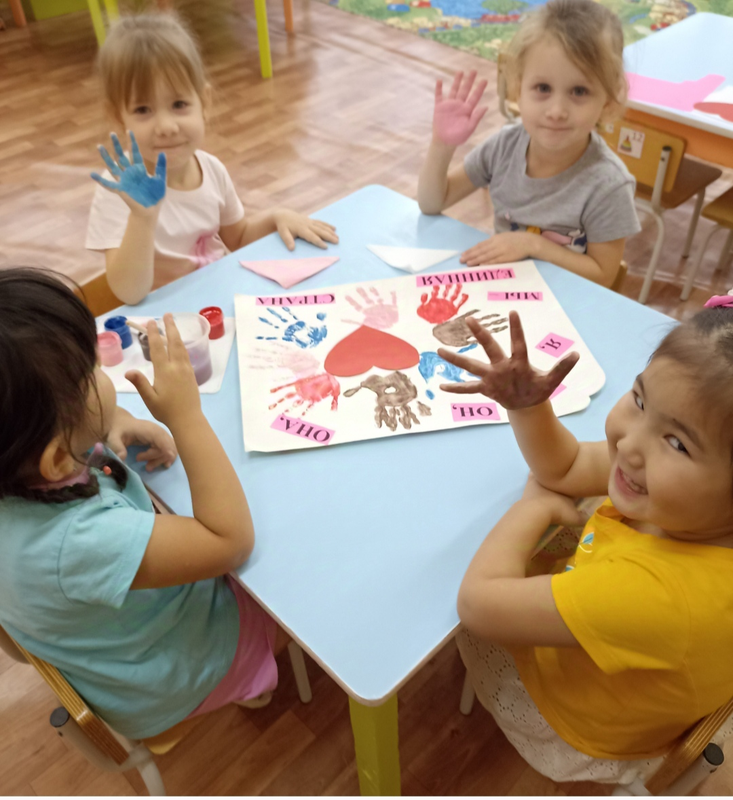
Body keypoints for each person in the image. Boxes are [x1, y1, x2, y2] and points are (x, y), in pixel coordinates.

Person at [437, 299, 733, 782]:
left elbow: (477, 604)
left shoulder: (661, 597)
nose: (629, 443)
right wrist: (529, 407)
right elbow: (568, 466)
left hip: (572, 723)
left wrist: (530, 510)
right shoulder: (689, 502)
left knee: (437, 617)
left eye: (677, 443)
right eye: (640, 400)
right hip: (623, 665)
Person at [0, 268, 286, 739]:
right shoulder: (77, 542)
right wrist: (186, 417)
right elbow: (230, 541)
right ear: (56, 459)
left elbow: (16, 647)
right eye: (90, 375)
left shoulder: (18, 464)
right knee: (290, 596)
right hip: (173, 680)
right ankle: (248, 678)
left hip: (114, 652)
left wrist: (110, 422)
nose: (101, 374)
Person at [86, 12, 339, 305]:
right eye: (143, 110)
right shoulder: (118, 189)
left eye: (179, 104)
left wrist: (275, 217)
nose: (166, 126)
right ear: (118, 117)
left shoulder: (211, 169)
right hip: (166, 319)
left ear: (204, 103)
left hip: (218, 304)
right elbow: (129, 293)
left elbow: (239, 238)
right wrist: (143, 218)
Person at [417, 0, 641, 287]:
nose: (556, 111)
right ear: (518, 88)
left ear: (608, 100)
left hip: (567, 303)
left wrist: (533, 244)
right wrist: (442, 145)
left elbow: (603, 276)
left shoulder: (609, 185)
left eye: (579, 91)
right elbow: (432, 203)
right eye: (543, 88)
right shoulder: (504, 147)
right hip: (503, 292)